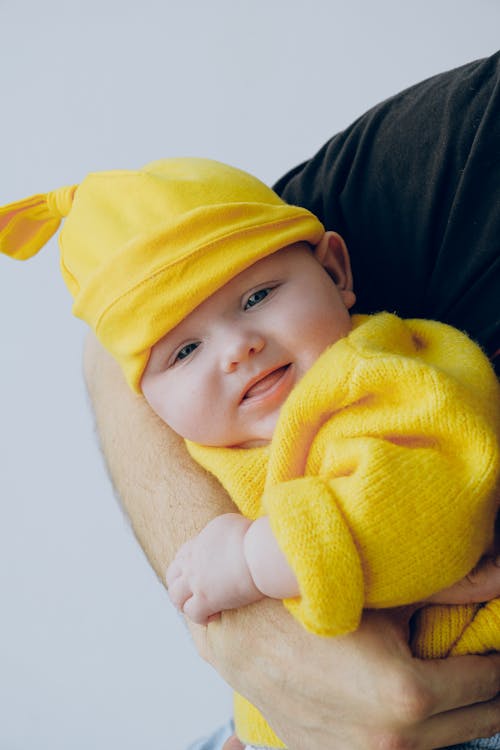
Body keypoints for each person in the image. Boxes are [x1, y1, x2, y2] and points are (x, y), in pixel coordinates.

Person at [1, 153, 499, 750]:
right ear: (147, 402)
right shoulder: (214, 444)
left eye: (257, 295)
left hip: (456, 715)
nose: (237, 349)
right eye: (184, 352)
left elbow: (435, 503)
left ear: (336, 272)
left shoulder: (379, 375)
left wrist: (251, 554)